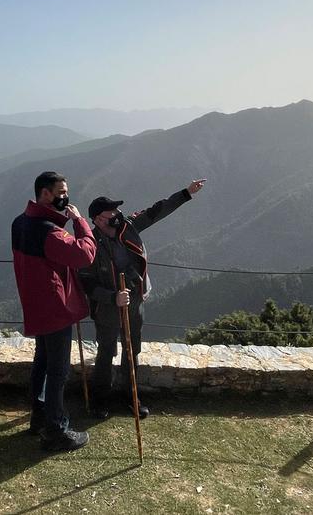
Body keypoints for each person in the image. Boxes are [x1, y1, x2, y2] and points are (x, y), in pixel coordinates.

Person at [81, 179, 206, 420]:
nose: (118, 214)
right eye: (112, 212)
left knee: (132, 350)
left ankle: (131, 396)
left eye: (118, 210)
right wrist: (111, 297)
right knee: (106, 352)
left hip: (135, 300)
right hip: (107, 307)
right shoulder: (91, 244)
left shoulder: (129, 226)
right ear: (98, 219)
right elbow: (86, 283)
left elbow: (157, 211)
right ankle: (100, 400)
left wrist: (186, 193)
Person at [12, 171, 96, 451]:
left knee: (42, 364)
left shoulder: (19, 223)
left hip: (34, 305)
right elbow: (85, 255)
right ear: (45, 194)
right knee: (57, 370)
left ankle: (39, 417)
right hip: (55, 308)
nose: (65, 197)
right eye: (60, 192)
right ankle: (56, 430)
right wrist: (80, 222)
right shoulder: (49, 231)